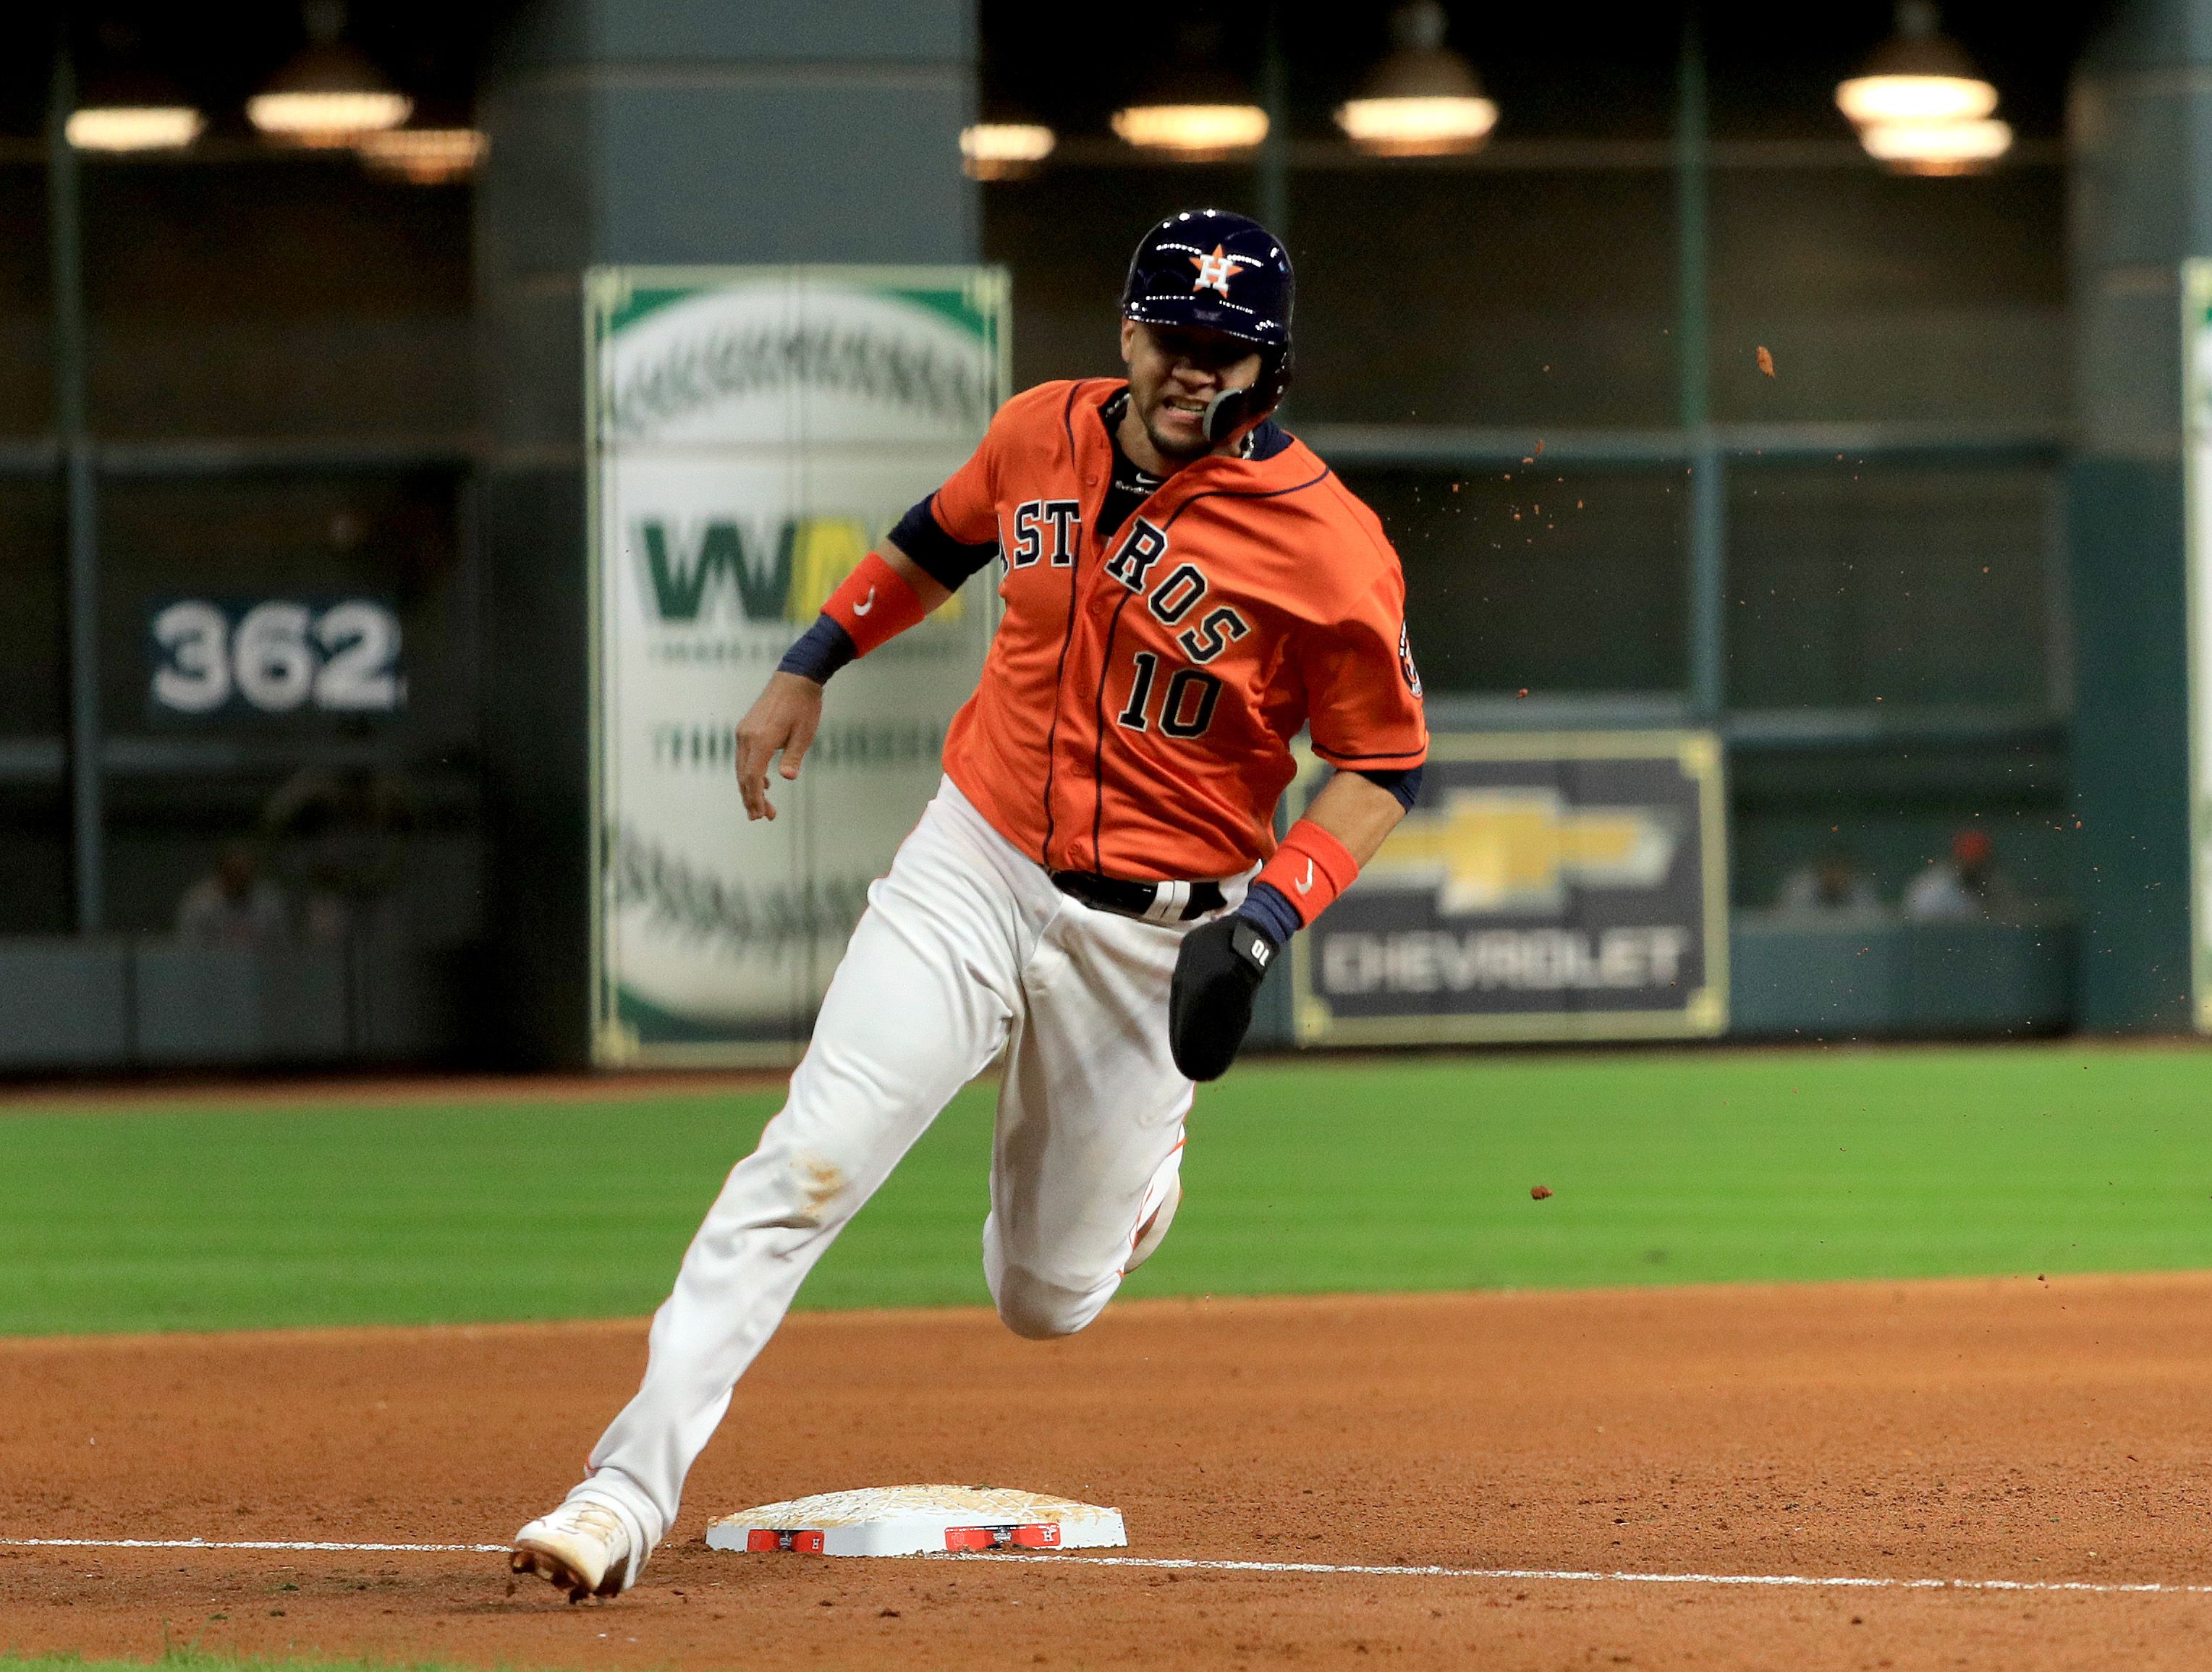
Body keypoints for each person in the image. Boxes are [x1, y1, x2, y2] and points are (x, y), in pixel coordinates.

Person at [512, 211, 1426, 1602]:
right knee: (803, 1165)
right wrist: (810, 657)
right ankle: (619, 1493)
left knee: (1043, 1299)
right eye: (1175, 341)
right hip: (977, 860)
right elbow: (936, 540)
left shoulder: (1329, 546)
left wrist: (1268, 920)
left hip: (1157, 928)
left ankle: (1138, 1178)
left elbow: (1380, 765)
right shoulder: (1039, 433)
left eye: (1227, 355)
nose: (1195, 375)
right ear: (1127, 332)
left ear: (1271, 372)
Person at [171, 841, 291, 949]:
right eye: (233, 873)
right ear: (221, 872)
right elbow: (188, 950)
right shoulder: (198, 904)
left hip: (257, 970)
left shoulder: (269, 903)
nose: (238, 880)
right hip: (210, 969)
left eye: (244, 874)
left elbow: (281, 950)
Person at [1902, 828, 2020, 921]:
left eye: (1982, 864)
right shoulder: (1935, 892)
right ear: (1958, 861)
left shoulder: (1993, 887)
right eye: (1973, 864)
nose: (1979, 870)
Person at [1774, 847, 1876, 914]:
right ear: (1820, 871)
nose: (1833, 877)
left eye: (1839, 871)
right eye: (1829, 870)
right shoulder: (1801, 889)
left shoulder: (1861, 892)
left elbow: (1871, 921)